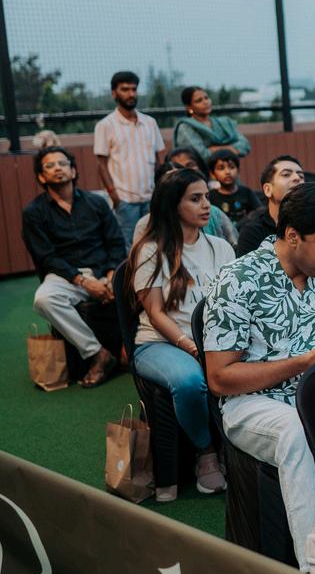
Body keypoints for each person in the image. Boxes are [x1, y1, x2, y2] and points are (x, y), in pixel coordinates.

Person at [204, 182, 315, 569]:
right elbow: (220, 378)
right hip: (253, 405)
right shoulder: (238, 279)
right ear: (292, 235)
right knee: (295, 432)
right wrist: (302, 363)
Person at [125, 167, 233, 500]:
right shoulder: (150, 250)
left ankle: (237, 449)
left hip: (213, 341)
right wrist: (191, 346)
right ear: (173, 205)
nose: (207, 205)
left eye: (207, 197)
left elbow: (233, 305)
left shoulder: (221, 247)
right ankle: (206, 452)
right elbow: (156, 313)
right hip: (159, 344)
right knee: (189, 382)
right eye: (195, 199)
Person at [22, 146, 126, 387]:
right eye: (49, 166)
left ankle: (130, 349)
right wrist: (83, 281)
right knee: (44, 299)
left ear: (73, 170)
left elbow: (116, 242)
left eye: (62, 163)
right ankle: (97, 353)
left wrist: (112, 275)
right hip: (66, 277)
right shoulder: (34, 213)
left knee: (143, 285)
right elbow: (46, 257)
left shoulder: (97, 203)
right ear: (41, 177)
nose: (57, 168)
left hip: (104, 272)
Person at [94, 70, 165, 244]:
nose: (131, 94)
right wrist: (115, 198)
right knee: (131, 248)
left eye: (134, 89)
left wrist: (160, 192)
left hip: (151, 199)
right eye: (125, 89)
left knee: (156, 245)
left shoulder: (150, 122)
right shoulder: (105, 125)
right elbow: (101, 165)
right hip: (125, 201)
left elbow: (158, 160)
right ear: (114, 93)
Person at [235, 155, 305, 257]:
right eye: (286, 174)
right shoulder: (253, 232)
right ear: (268, 190)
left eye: (301, 176)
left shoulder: (314, 225)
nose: (297, 178)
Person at [173, 86, 251, 157]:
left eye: (206, 98)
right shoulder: (185, 127)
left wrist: (213, 149)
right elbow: (200, 155)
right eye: (199, 101)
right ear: (189, 107)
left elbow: (245, 145)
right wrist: (232, 149)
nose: (205, 102)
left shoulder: (223, 123)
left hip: (229, 167)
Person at [207, 149, 260, 226]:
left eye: (231, 167)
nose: (227, 172)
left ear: (238, 171)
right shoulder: (211, 197)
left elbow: (259, 212)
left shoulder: (246, 192)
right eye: (221, 168)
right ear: (212, 174)